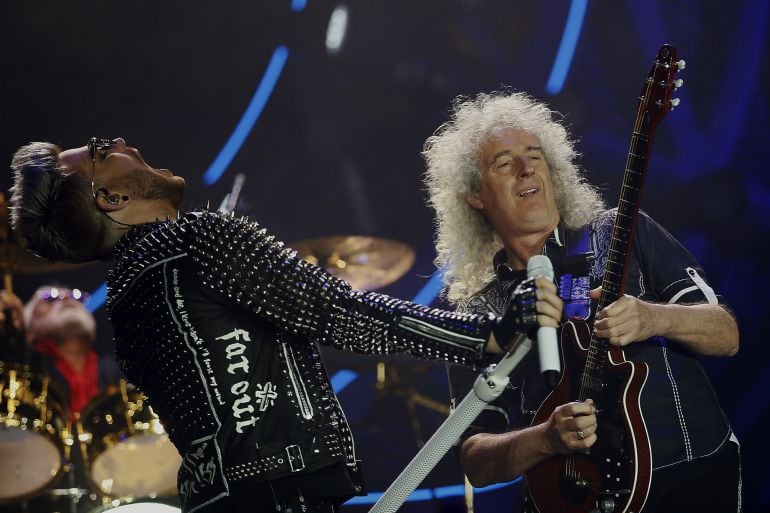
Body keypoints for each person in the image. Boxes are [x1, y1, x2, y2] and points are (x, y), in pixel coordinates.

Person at [7, 137, 563, 513]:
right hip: (285, 492)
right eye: (105, 151)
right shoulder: (196, 237)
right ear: (113, 197)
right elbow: (343, 313)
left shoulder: (126, 300)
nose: (123, 141)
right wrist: (487, 335)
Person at [423, 91, 741, 512]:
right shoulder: (480, 314)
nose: (526, 169)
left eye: (535, 156)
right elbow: (476, 460)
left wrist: (653, 317)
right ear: (475, 195)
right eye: (504, 163)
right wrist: (546, 438)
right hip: (573, 499)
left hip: (690, 478)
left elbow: (727, 334)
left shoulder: (620, 232)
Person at [0, 285, 121, 415]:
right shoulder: (25, 369)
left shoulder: (120, 370)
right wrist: (11, 335)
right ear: (30, 330)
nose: (67, 299)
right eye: (50, 298)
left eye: (76, 297)